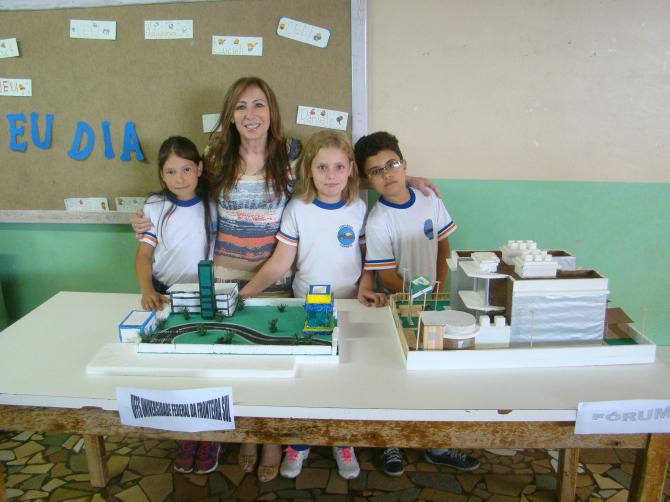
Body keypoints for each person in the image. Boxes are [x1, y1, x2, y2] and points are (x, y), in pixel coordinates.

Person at [131, 76, 438, 481]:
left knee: (273, 362)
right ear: (230, 114)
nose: (250, 114)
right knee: (226, 358)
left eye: (258, 104)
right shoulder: (217, 154)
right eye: (241, 106)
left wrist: (404, 181)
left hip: (277, 274)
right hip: (225, 272)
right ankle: (244, 437)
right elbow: (184, 186)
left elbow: (335, 173)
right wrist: (149, 215)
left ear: (271, 111)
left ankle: (273, 438)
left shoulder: (291, 152)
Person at [240, 130, 385, 480]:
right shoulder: (298, 209)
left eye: (338, 167)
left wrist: (366, 286)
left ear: (350, 169)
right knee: (308, 379)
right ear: (309, 170)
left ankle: (342, 440)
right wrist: (244, 294)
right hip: (306, 305)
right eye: (322, 167)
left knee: (344, 377)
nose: (331, 175)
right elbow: (280, 263)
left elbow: (368, 257)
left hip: (347, 306)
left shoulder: (358, 207)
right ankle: (300, 441)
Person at [354, 131, 481, 476]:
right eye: (376, 171)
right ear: (368, 180)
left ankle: (436, 444)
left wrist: (438, 289)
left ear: (405, 165)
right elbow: (387, 274)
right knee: (395, 374)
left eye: (392, 164)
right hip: (398, 307)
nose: (387, 174)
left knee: (433, 374)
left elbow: (443, 246)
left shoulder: (428, 199)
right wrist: (418, 294)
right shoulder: (378, 220)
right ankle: (390, 443)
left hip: (433, 303)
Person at [133, 136, 220, 474]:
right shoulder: (155, 207)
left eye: (186, 169)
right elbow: (143, 256)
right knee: (177, 369)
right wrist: (146, 290)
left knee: (208, 366)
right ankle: (186, 431)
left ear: (199, 168)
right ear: (161, 174)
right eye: (170, 172)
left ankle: (209, 433)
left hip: (206, 295)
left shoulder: (213, 203)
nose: (180, 178)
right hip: (166, 295)